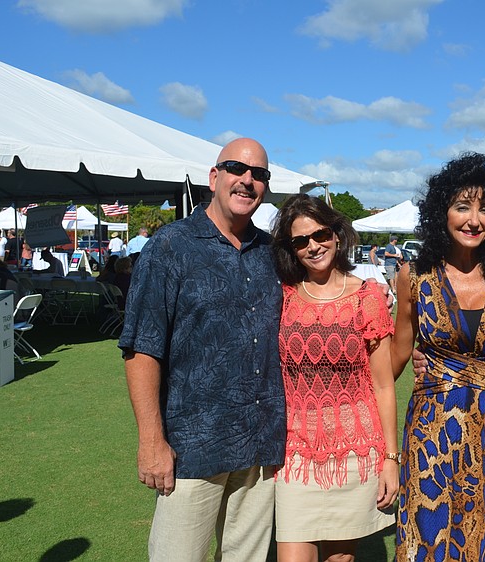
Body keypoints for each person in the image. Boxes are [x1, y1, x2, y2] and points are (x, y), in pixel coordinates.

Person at [119, 138, 284, 562]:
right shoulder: (170, 246)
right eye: (237, 168)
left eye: (259, 174)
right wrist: (151, 441)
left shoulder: (271, 253)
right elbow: (141, 347)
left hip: (259, 447)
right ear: (215, 177)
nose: (248, 180)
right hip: (193, 447)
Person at [391, 152, 485, 561]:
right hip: (431, 430)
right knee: (428, 533)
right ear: (441, 212)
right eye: (462, 206)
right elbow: (394, 357)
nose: (474, 220)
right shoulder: (413, 276)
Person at [270, 194, 398, 562]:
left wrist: (391, 458)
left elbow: (384, 383)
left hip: (356, 451)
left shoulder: (367, 296)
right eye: (301, 241)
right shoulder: (282, 296)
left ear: (337, 235)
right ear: (291, 249)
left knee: (340, 560)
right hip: (295, 452)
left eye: (321, 235)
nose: (313, 246)